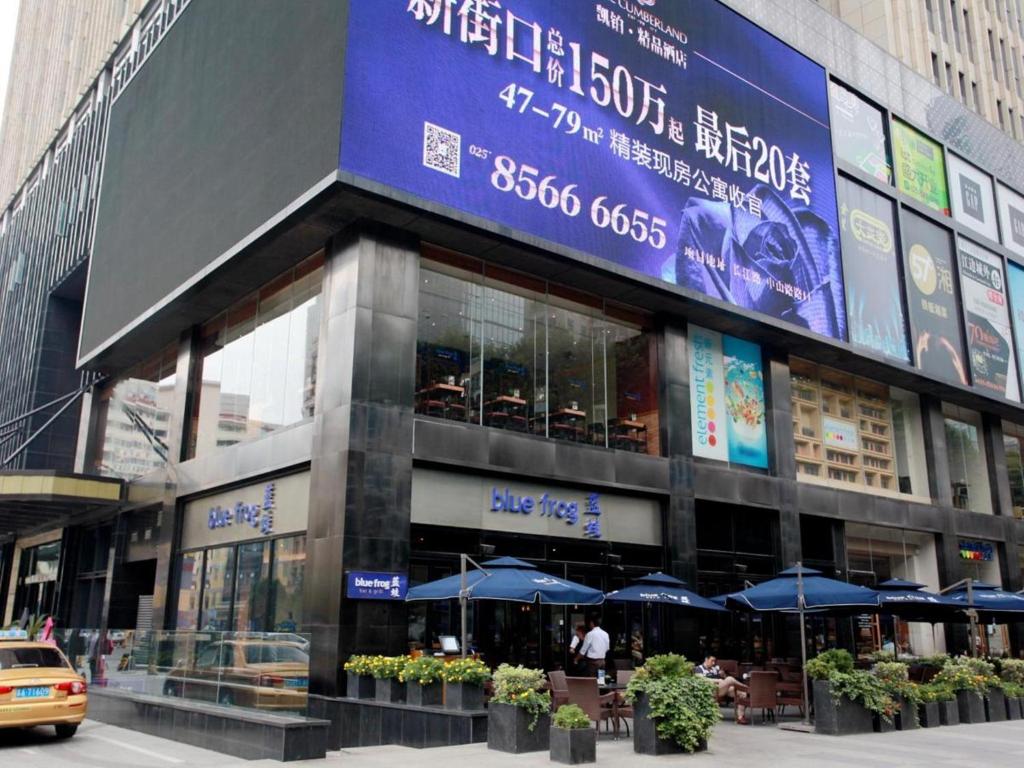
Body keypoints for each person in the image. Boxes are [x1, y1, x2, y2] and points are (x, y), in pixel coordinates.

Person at [696, 655, 749, 725]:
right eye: (712, 661)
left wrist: (723, 675)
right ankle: (747, 688)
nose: (713, 663)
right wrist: (717, 680)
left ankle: (740, 717)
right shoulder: (698, 668)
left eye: (714, 661)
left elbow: (724, 679)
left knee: (742, 693)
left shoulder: (715, 669)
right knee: (730, 679)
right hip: (710, 690)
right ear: (706, 659)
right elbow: (701, 679)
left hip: (721, 689)